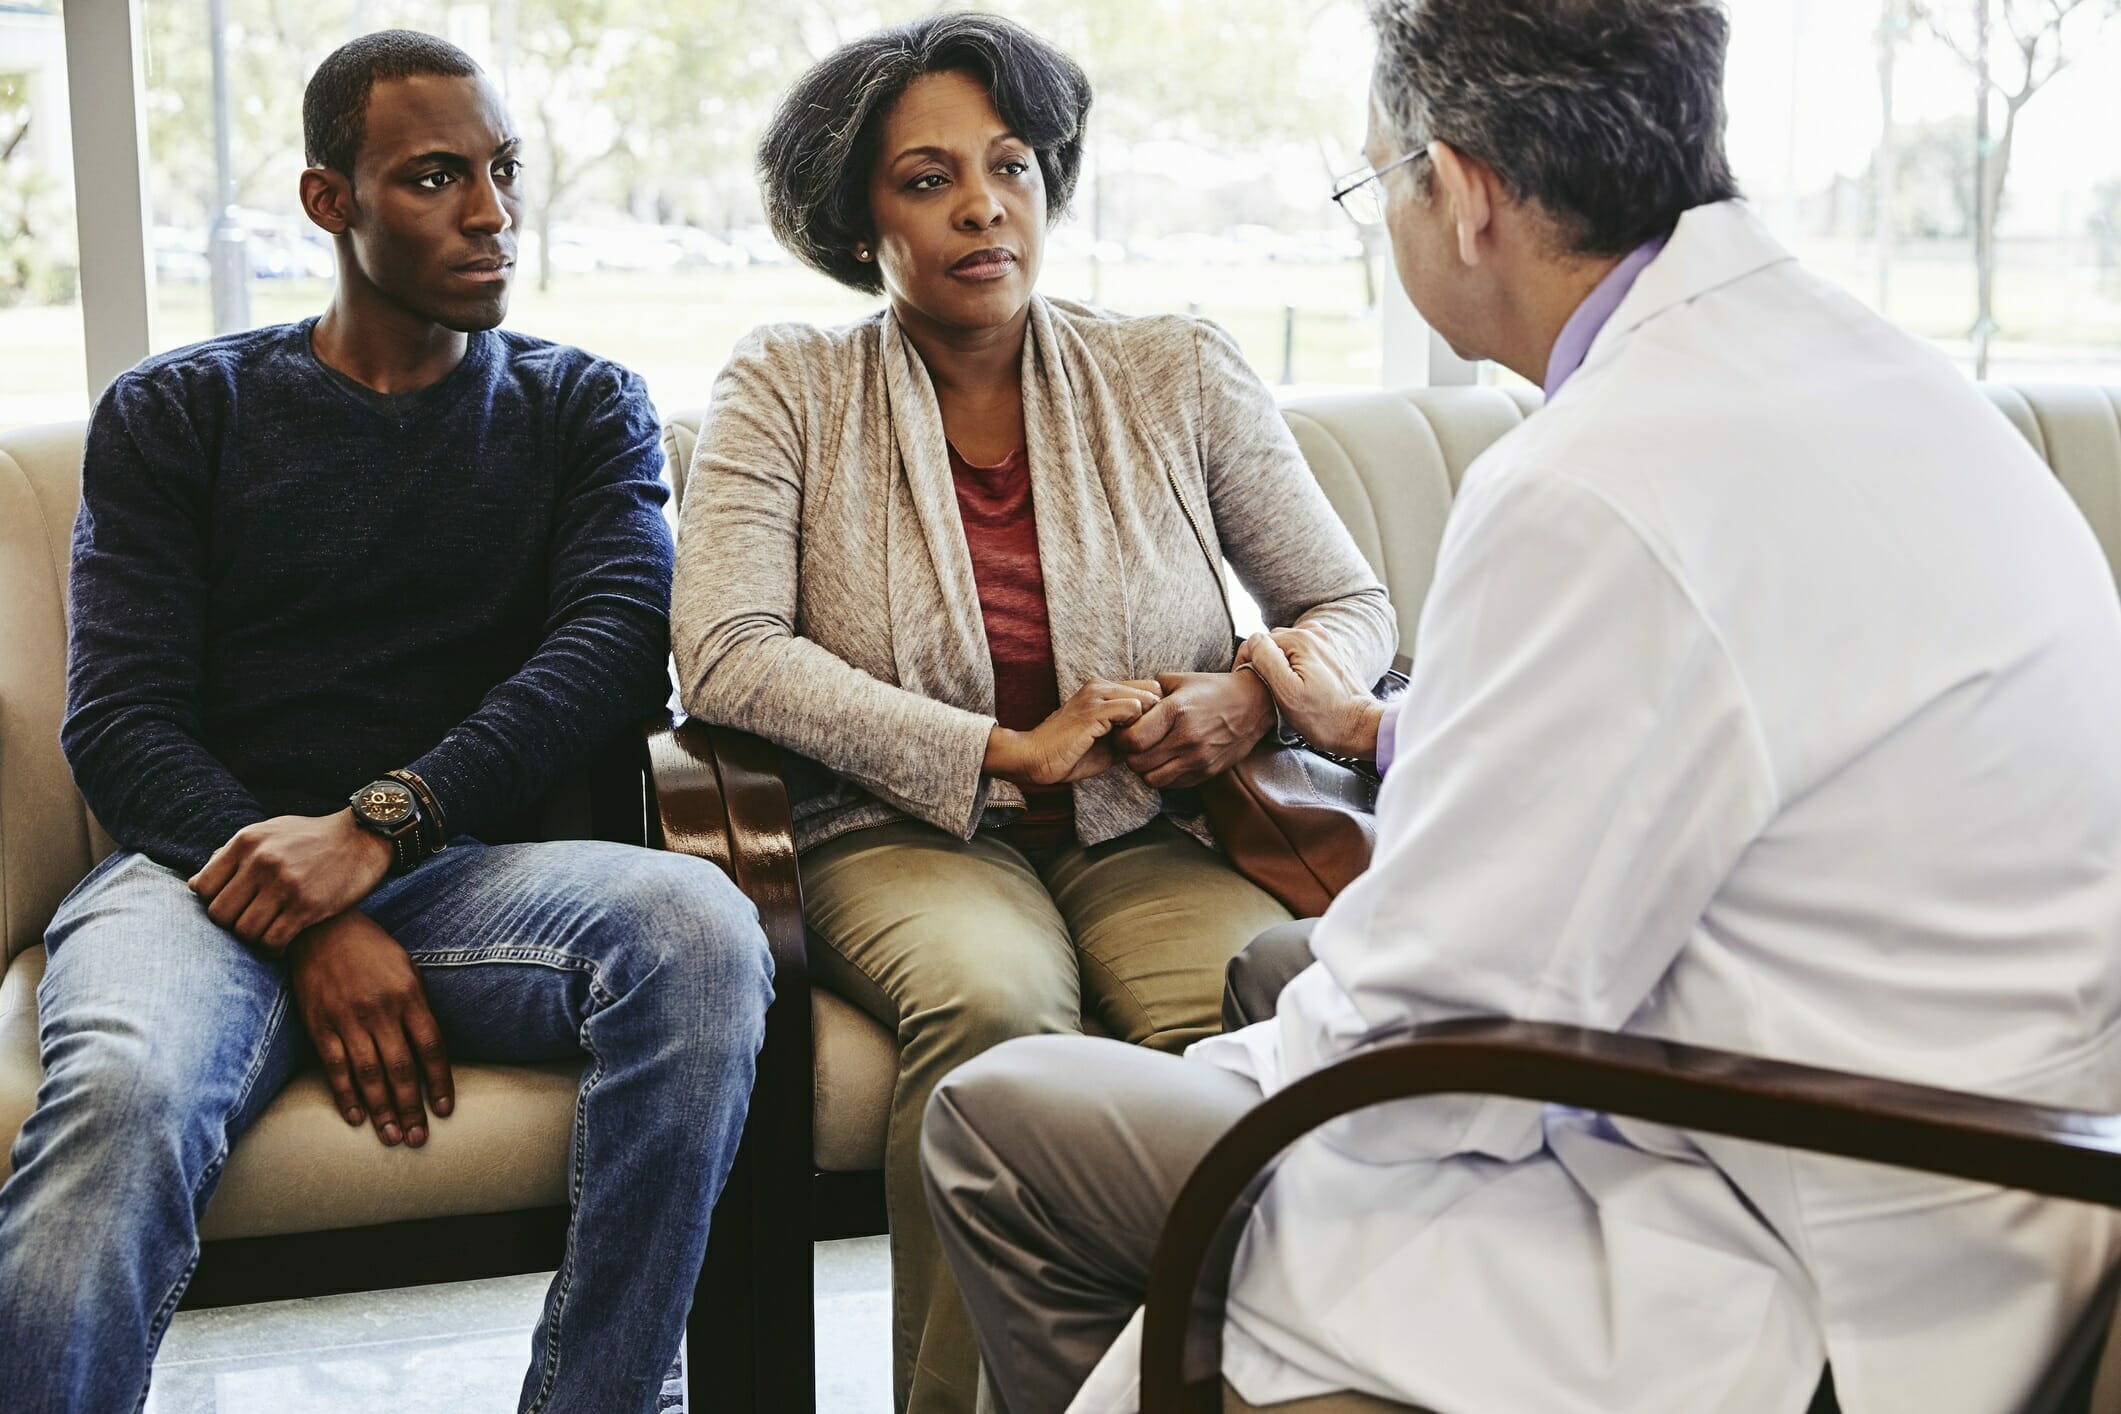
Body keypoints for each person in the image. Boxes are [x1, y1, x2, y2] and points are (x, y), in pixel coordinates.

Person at [919, 1, 2121, 1411]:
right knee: (1271, 975)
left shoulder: (1598, 475)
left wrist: (1233, 1070)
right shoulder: (1884, 377)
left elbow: (1428, 1043)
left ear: (1468, 194)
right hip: (2018, 1170)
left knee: (1002, 1126)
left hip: (1809, 1236)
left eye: (1378, 183)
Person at [0, 31, 772, 1414]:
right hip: (192, 876)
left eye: (503, 172)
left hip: (465, 878)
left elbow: (607, 658)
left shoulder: (583, 405)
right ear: (327, 201)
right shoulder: (180, 411)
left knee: (701, 929)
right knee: (123, 1092)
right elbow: (118, 720)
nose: (492, 214)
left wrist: (380, 829)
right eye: (434, 177)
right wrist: (306, 908)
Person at [671, 14, 1395, 1412]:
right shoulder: (787, 386)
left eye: (1010, 165)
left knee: (1254, 1017)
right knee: (994, 1009)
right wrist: (995, 748)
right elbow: (725, 653)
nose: (983, 207)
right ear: (853, 211)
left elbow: (1349, 604)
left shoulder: (1171, 367)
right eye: (926, 178)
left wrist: (1247, 697)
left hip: (1154, 830)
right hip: (898, 831)